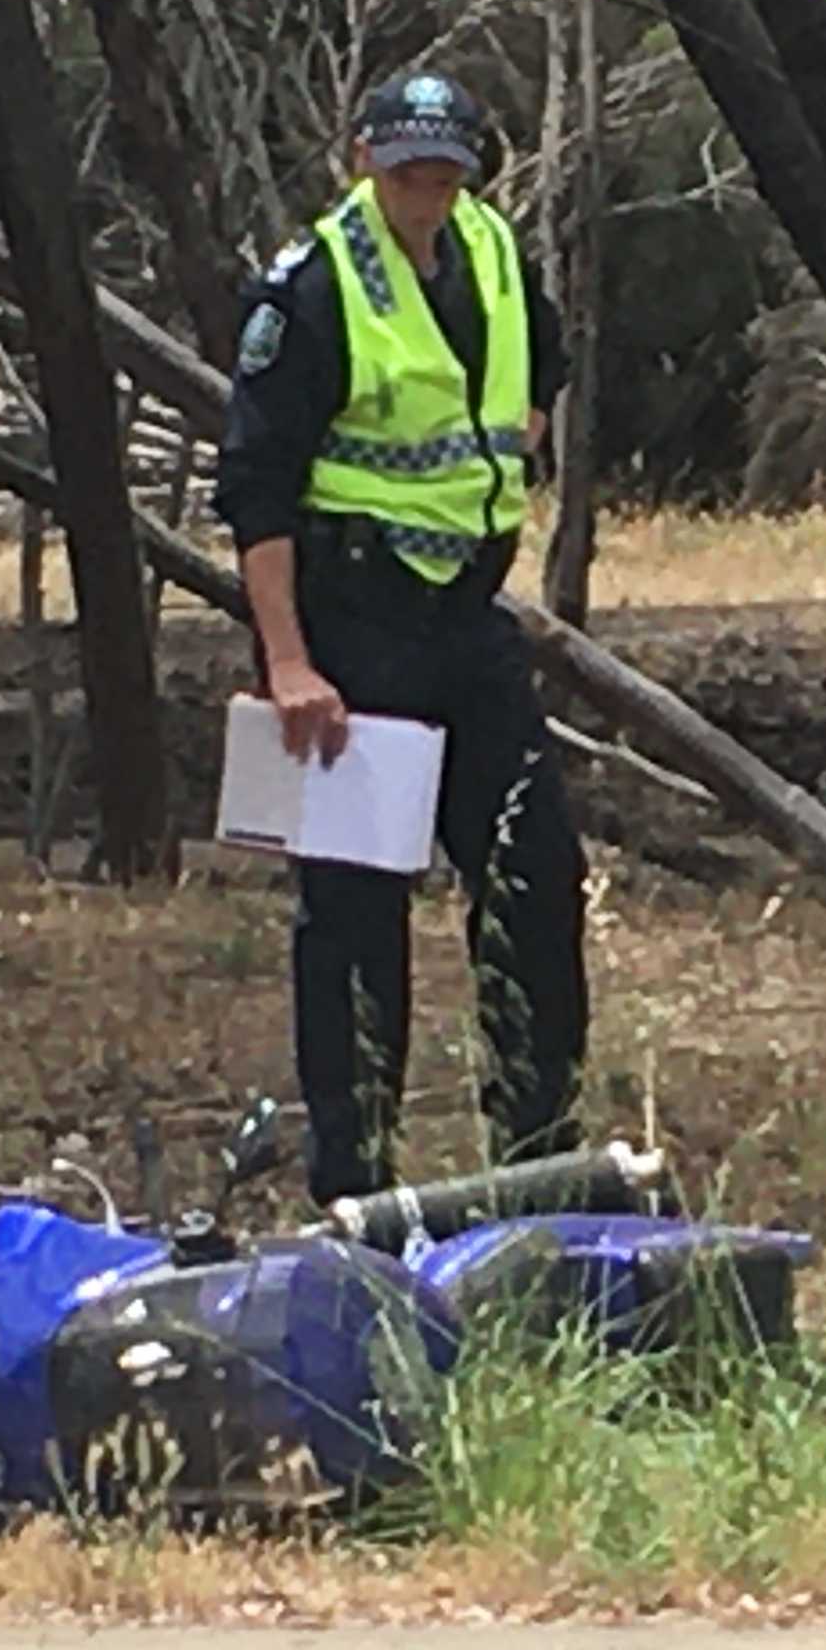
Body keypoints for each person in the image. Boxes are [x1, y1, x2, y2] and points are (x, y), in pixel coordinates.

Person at [214, 68, 587, 1206]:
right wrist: (288, 661)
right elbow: (258, 490)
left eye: (446, 167)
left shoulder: (494, 255)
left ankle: (538, 1167)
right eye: (406, 166)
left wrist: (508, 444)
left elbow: (541, 375)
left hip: (465, 621)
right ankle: (356, 1188)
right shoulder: (316, 285)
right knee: (357, 919)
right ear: (362, 160)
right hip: (353, 628)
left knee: (536, 879)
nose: (427, 187)